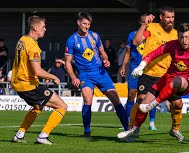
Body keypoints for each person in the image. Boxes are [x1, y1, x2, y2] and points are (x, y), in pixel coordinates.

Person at [117, 23, 189, 142]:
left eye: (186, 37)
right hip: (168, 78)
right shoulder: (172, 45)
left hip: (187, 82)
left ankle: (155, 105)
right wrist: (141, 66)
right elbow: (154, 53)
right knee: (145, 102)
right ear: (178, 36)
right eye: (181, 37)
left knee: (178, 82)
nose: (183, 40)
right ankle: (135, 129)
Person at [64, 12, 128, 138]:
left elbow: (103, 52)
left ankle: (128, 129)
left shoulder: (95, 36)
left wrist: (106, 60)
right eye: (84, 24)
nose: (87, 26)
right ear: (78, 23)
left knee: (115, 99)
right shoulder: (72, 40)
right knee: (88, 100)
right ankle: (87, 131)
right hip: (85, 75)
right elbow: (67, 62)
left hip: (100, 73)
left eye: (89, 24)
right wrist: (73, 77)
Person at [10, 15, 68, 145]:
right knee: (62, 106)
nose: (45, 29)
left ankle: (19, 135)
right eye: (43, 27)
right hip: (28, 86)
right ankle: (43, 136)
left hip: (18, 83)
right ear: (35, 28)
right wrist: (54, 77)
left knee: (37, 106)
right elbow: (37, 71)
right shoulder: (33, 47)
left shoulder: (22, 40)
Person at [125, 6, 182, 137]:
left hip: (168, 75)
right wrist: (144, 25)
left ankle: (175, 129)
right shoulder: (152, 27)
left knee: (178, 104)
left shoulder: (175, 34)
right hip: (149, 73)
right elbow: (136, 41)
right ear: (161, 17)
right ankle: (132, 129)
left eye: (173, 17)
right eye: (168, 17)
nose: (171, 20)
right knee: (141, 100)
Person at [120, 13, 158, 131]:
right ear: (140, 22)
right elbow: (127, 52)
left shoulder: (153, 34)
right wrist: (123, 66)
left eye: (147, 21)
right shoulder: (132, 35)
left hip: (149, 67)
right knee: (131, 94)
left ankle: (151, 123)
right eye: (143, 21)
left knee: (150, 96)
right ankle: (127, 123)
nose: (146, 23)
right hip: (135, 67)